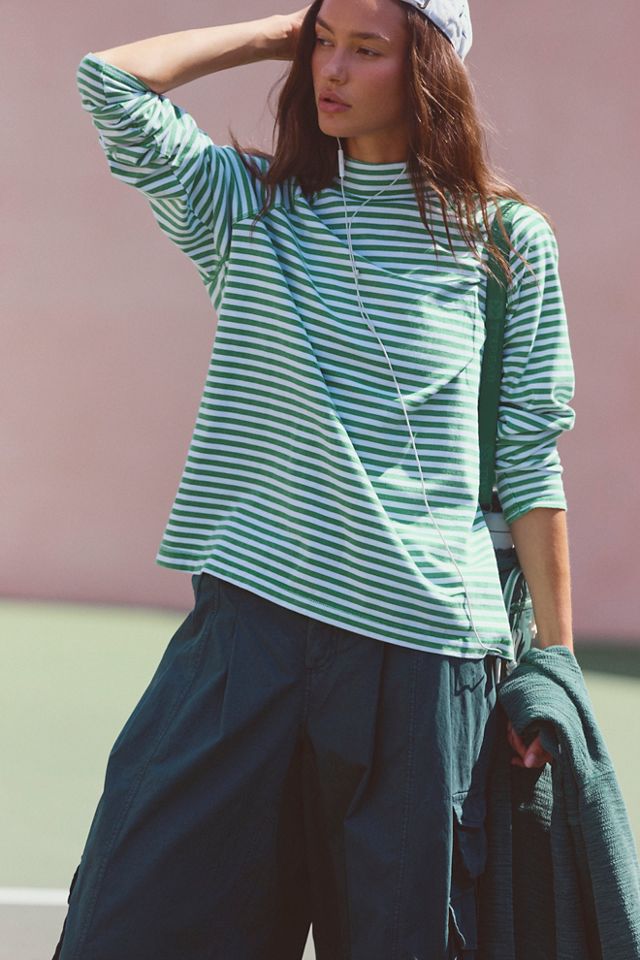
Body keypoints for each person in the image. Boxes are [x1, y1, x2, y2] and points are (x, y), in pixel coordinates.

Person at [55, 1, 576, 957]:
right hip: (246, 639)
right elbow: (111, 84)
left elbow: (530, 460)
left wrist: (556, 666)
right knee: (132, 923)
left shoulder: (503, 241)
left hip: (419, 665)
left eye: (365, 49)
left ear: (430, 72)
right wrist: (273, 32)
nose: (330, 69)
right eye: (321, 43)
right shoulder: (252, 209)